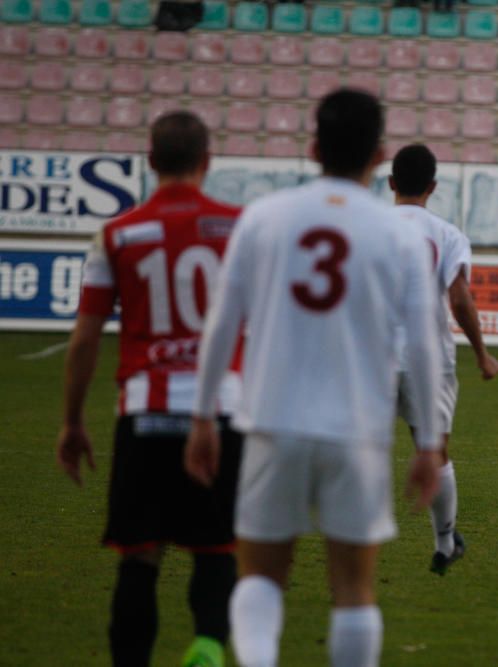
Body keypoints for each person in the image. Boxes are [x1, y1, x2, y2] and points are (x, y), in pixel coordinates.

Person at [184, 89, 444, 667]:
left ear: (312, 147)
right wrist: (428, 440)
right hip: (356, 430)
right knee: (353, 587)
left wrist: (203, 416)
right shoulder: (399, 234)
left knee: (261, 575)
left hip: (272, 421)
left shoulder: (264, 219)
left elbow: (221, 326)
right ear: (379, 155)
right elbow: (425, 344)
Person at [56, 111, 243, 667]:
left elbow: (85, 340)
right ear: (207, 163)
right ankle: (208, 644)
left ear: (150, 162)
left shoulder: (116, 235)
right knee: (217, 549)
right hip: (221, 413)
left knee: (139, 557)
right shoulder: (240, 227)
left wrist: (72, 422)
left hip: (145, 413)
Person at [389, 143, 498, 575]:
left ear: (391, 183)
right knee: (433, 449)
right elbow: (459, 298)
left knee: (361, 449)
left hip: (371, 358)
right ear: (433, 187)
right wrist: (483, 355)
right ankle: (443, 543)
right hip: (428, 358)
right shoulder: (447, 234)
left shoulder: (368, 228)